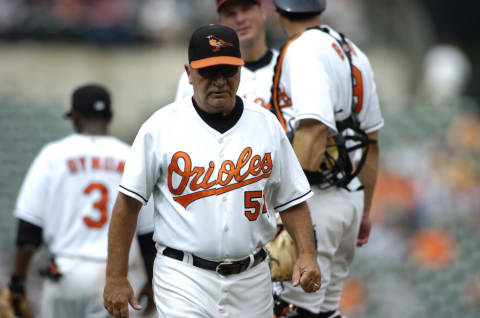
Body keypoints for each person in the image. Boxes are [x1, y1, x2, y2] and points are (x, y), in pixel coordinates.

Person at [103, 24, 321, 318]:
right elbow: (127, 206)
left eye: (228, 71)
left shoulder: (267, 125)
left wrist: (307, 254)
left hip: (253, 278)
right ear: (189, 72)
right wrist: (116, 276)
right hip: (183, 276)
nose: (219, 81)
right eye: (209, 71)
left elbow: (293, 201)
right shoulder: (160, 127)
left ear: (240, 70)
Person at [270, 1, 383, 317]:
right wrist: (365, 209)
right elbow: (372, 142)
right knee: (324, 309)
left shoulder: (303, 49)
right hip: (350, 201)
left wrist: (285, 207)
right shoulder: (352, 52)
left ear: (278, 10)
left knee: (286, 307)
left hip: (313, 201)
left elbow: (315, 128)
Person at [6, 84, 156, 318]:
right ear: (110, 117)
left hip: (64, 274)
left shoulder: (52, 155)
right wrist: (152, 281)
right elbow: (147, 235)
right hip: (116, 273)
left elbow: (28, 232)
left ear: (74, 116)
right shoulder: (131, 156)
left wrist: (17, 282)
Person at [175, 0, 278, 109]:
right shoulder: (198, 74)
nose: (240, 19)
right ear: (220, 21)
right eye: (230, 14)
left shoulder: (290, 64)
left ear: (263, 12)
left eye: (246, 10)